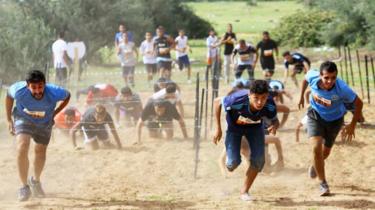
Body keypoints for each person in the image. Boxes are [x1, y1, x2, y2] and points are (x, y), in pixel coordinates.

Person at [298, 61, 363, 196]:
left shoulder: (341, 88)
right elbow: (305, 79)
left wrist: (352, 125)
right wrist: (301, 97)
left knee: (325, 153)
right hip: (315, 116)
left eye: (333, 78)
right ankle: (323, 184)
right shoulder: (312, 76)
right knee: (316, 148)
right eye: (326, 77)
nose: (329, 81)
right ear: (320, 75)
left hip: (335, 120)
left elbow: (359, 103)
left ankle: (315, 165)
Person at [5, 70, 70, 201]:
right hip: (23, 118)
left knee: (40, 151)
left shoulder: (54, 91)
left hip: (45, 121)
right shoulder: (19, 90)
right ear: (27, 85)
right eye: (33, 87)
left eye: (40, 86)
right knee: (22, 146)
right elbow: (8, 96)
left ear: (44, 84)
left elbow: (67, 95)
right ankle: (24, 187)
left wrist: (55, 112)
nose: (37, 91)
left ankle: (35, 181)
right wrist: (8, 120)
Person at [213, 80, 279, 201]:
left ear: (267, 96)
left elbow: (275, 119)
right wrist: (218, 128)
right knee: (233, 164)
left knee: (259, 161)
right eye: (256, 98)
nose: (260, 102)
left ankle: (244, 191)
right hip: (234, 129)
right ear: (249, 95)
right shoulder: (237, 100)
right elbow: (217, 102)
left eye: (263, 98)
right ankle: (231, 161)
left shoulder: (270, 104)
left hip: (255, 129)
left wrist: (274, 125)